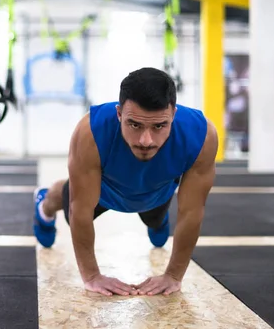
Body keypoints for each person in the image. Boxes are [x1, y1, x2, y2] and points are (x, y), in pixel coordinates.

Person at [33, 67, 218, 297]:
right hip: (103, 189)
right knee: (67, 203)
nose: (146, 140)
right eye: (135, 125)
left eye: (159, 126)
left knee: (156, 224)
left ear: (174, 114)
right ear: (119, 113)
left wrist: (173, 275)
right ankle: (44, 205)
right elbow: (79, 208)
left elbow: (192, 212)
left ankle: (157, 220)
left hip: (156, 192)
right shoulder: (91, 131)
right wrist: (92, 276)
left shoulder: (201, 135)